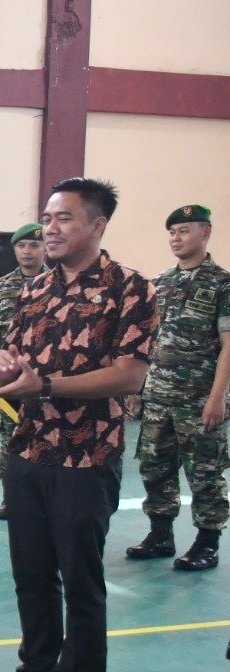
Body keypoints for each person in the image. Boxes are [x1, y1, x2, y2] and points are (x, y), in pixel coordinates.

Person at [0, 177, 156, 672]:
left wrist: (47, 385)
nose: (50, 229)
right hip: (29, 448)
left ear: (97, 225)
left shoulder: (130, 288)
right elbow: (16, 357)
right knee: (31, 574)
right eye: (47, 218)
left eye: (64, 218)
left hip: (87, 455)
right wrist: (4, 366)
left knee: (81, 580)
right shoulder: (34, 289)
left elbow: (130, 375)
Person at [125, 204, 230, 570]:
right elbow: (146, 340)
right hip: (157, 396)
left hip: (199, 399)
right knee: (155, 467)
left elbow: (229, 345)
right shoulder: (161, 282)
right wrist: (136, 388)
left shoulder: (221, 283)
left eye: (184, 231)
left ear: (205, 233)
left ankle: (207, 542)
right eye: (172, 232)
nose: (176, 238)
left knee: (204, 472)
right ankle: (160, 534)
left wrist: (218, 398)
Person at [0, 224, 47, 519]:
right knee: (11, 438)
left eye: (34, 245)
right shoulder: (2, 285)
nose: (27, 252)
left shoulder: (58, 283)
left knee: (47, 437)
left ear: (44, 248)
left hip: (45, 376)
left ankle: (44, 498)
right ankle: (10, 498)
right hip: (10, 375)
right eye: (21, 246)